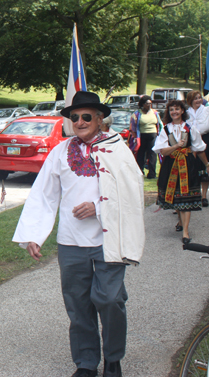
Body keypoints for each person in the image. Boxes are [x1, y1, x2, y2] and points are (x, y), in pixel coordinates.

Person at [13, 91, 145, 377]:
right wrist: (34, 234)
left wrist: (98, 207)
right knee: (78, 303)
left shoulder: (116, 149)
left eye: (87, 117)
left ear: (99, 119)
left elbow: (133, 190)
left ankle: (113, 358)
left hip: (109, 239)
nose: (80, 121)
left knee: (110, 300)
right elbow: (44, 195)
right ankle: (86, 363)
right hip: (71, 241)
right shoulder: (60, 151)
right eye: (75, 117)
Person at [153, 100, 209, 243]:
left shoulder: (190, 128)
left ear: (182, 111)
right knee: (176, 197)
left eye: (177, 109)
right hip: (171, 166)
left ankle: (185, 231)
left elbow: (199, 148)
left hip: (187, 165)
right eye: (171, 110)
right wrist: (177, 146)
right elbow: (163, 151)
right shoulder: (166, 129)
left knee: (186, 197)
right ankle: (180, 220)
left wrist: (207, 164)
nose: (174, 112)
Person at [129, 96, 163, 179]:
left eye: (150, 103)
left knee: (152, 154)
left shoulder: (155, 113)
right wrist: (134, 137)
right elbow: (133, 126)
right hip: (141, 136)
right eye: (147, 103)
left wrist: (161, 135)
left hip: (153, 135)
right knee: (141, 154)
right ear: (143, 104)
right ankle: (140, 172)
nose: (149, 105)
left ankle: (152, 173)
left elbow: (160, 124)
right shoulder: (137, 114)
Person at [186, 90, 209, 207]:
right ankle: (193, 194)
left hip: (205, 139)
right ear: (190, 101)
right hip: (191, 141)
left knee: (205, 168)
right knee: (193, 168)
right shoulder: (186, 113)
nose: (198, 100)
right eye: (195, 98)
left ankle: (204, 196)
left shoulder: (206, 110)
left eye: (199, 98)